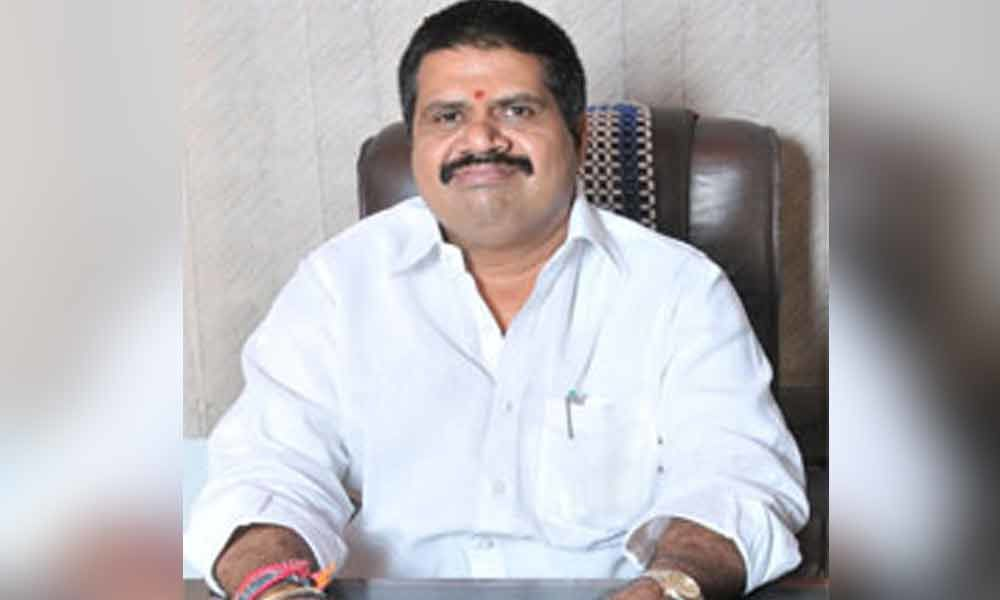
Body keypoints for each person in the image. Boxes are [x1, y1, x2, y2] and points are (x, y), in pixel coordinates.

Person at [184, 1, 809, 599]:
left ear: (578, 137)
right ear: (415, 142)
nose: (480, 138)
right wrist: (277, 588)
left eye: (516, 110)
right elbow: (266, 476)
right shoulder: (338, 285)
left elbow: (736, 481)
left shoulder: (678, 290)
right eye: (447, 117)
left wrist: (664, 589)